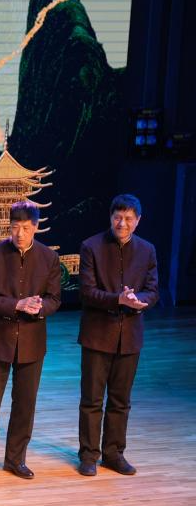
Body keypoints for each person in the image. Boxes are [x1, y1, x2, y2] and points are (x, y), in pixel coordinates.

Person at [0, 202, 61, 481]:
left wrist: (39, 307)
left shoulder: (49, 257)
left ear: (35, 227)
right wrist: (17, 304)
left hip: (32, 342)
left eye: (25, 228)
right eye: (14, 227)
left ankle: (15, 459)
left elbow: (54, 299)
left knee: (25, 404)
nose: (19, 234)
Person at [77, 194, 159, 476]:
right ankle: (89, 455)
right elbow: (87, 292)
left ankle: (114, 454)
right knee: (92, 400)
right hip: (97, 335)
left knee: (120, 401)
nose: (122, 223)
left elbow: (153, 290)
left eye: (128, 219)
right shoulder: (91, 246)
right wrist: (118, 300)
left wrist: (139, 300)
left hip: (130, 336)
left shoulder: (147, 250)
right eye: (117, 217)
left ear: (138, 221)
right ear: (110, 217)